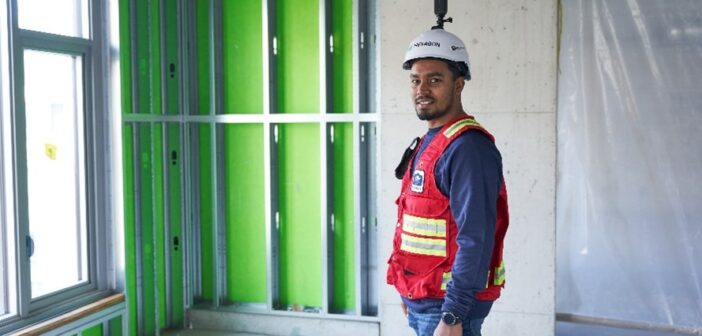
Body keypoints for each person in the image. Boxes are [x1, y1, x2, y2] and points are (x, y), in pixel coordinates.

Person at [386, 28, 509, 336]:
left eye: (435, 79)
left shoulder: (468, 148)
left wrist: (453, 314)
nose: (422, 89)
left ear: (458, 85)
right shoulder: (432, 141)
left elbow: (475, 237)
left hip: (449, 308)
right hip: (424, 300)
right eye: (415, 79)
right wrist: (408, 290)